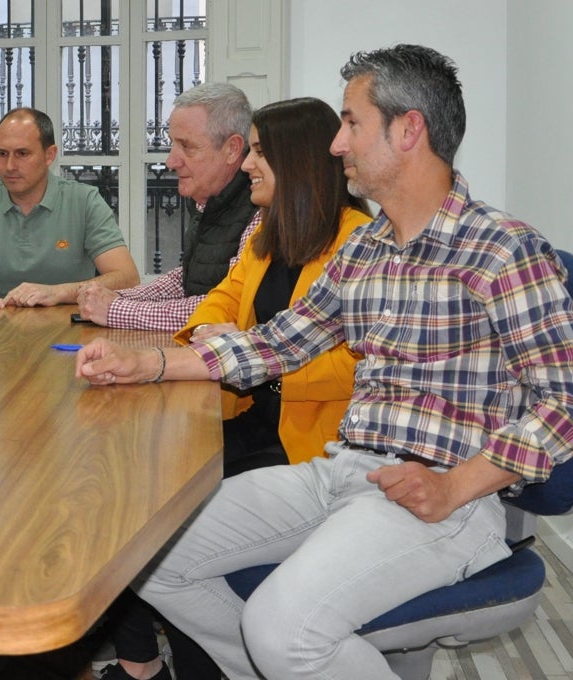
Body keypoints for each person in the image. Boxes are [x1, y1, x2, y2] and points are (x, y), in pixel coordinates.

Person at [76, 44, 573, 680]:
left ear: (408, 129)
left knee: (281, 627)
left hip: (449, 497)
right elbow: (280, 342)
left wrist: (457, 483)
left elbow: (562, 406)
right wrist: (151, 366)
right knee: (145, 555)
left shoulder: (503, 251)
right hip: (343, 471)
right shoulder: (366, 248)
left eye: (351, 123)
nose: (337, 144)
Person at [100, 96, 372, 680]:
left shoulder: (358, 240)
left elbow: (358, 363)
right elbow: (223, 299)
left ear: (294, 162)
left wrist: (259, 359)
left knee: (159, 520)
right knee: (137, 489)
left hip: (315, 443)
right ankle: (231, 662)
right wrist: (213, 333)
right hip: (251, 414)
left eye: (257, 152)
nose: (248, 163)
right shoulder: (268, 234)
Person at [0, 107, 139, 309]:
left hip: (65, 333)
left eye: (22, 154)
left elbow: (127, 277)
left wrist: (58, 292)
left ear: (50, 155)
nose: (9, 166)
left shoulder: (84, 201)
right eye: (2, 154)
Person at [77, 83, 260, 331]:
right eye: (172, 144)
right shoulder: (208, 201)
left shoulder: (260, 210)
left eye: (187, 147)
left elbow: (226, 307)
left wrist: (116, 310)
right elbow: (187, 279)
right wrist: (120, 297)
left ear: (232, 149)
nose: (170, 161)